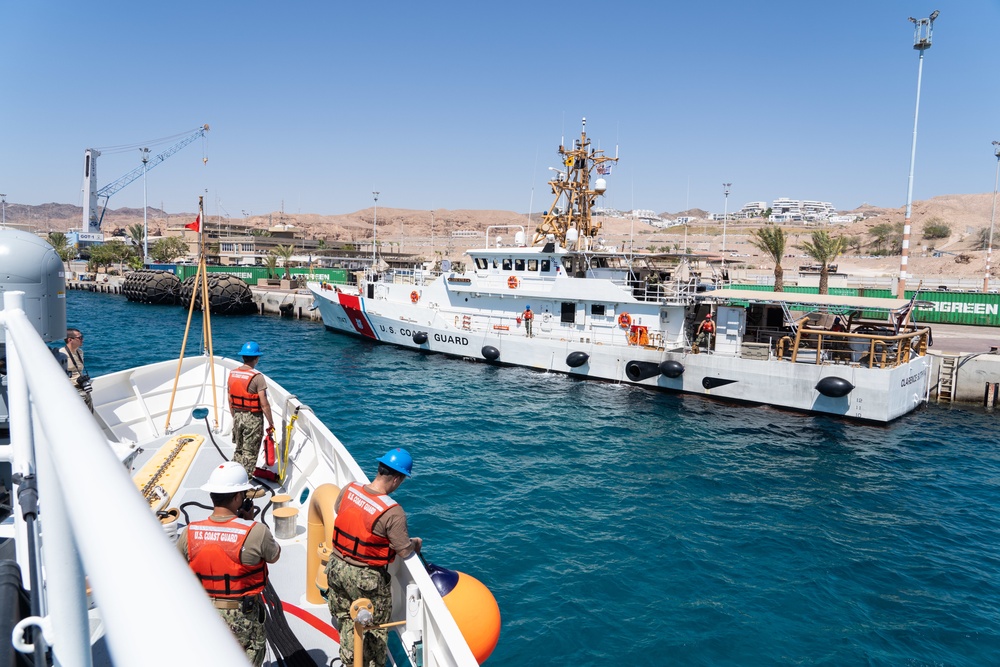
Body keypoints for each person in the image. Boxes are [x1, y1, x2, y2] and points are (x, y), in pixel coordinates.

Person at [177, 461, 281, 666]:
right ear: (237, 497)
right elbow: (274, 555)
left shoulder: (189, 532)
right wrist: (250, 521)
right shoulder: (256, 532)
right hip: (243, 617)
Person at [326, 448, 422, 667]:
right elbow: (404, 550)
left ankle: (349, 660)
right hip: (366, 580)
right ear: (397, 479)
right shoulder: (392, 511)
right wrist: (415, 543)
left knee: (346, 620)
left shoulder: (350, 489)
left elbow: (339, 509)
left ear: (380, 469)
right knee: (374, 634)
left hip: (336, 568)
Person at [228, 342, 276, 476]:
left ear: (243, 357)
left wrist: (235, 416)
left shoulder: (233, 374)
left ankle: (233, 476)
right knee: (250, 453)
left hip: (237, 416)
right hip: (252, 418)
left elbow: (230, 399)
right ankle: (244, 485)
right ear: (256, 358)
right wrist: (271, 422)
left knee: (239, 449)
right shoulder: (258, 377)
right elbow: (264, 404)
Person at [58, 328, 93, 413]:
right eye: (80, 338)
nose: (82, 339)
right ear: (70, 339)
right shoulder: (61, 354)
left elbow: (78, 371)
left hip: (82, 388)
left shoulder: (80, 352)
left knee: (90, 415)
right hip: (71, 391)